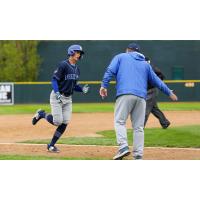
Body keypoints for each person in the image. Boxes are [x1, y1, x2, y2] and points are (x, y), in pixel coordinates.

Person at [99, 42, 178, 160]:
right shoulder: (145, 64)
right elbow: (157, 81)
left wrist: (104, 86)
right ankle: (138, 154)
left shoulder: (120, 57)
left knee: (119, 121)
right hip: (141, 97)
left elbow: (110, 71)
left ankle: (123, 147)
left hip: (125, 94)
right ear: (138, 52)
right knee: (138, 127)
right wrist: (169, 93)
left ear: (127, 50)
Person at [32, 44, 89, 153]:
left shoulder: (77, 69)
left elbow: (74, 86)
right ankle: (42, 114)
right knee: (58, 121)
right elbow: (54, 80)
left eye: (80, 53)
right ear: (71, 52)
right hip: (57, 96)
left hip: (68, 99)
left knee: (65, 122)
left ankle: (51, 146)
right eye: (77, 52)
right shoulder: (63, 65)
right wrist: (57, 92)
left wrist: (82, 89)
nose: (79, 54)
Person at [144, 57, 170, 129]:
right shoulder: (145, 68)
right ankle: (165, 122)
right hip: (148, 90)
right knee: (154, 108)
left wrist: (154, 82)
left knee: (146, 109)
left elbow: (162, 76)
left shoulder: (152, 68)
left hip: (151, 90)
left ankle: (140, 127)